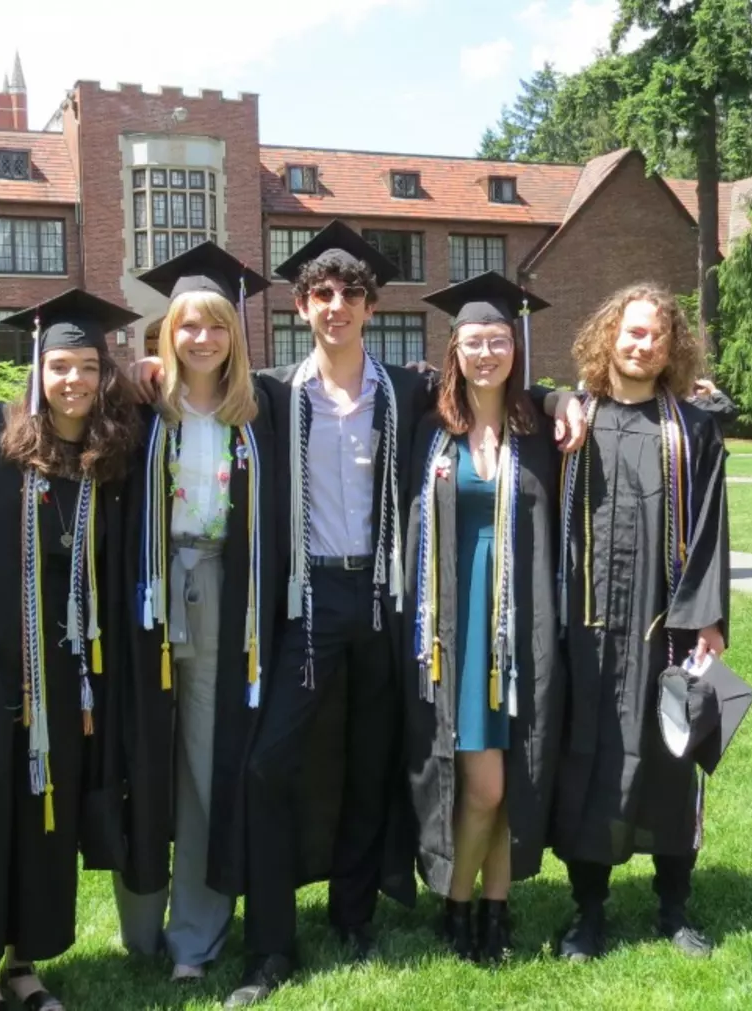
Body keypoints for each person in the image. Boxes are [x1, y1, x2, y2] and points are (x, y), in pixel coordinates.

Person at [218, 222, 585, 1008]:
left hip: (385, 601)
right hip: (308, 598)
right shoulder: (274, 395)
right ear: (301, 304)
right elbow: (196, 392)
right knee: (268, 762)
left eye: (352, 293)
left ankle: (353, 916)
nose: (337, 306)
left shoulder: (405, 390)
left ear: (371, 303)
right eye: (323, 294)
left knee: (370, 759)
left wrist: (563, 398)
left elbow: (493, 391)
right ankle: (270, 944)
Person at [0, 289, 141, 1011]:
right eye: (59, 366)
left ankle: (26, 963)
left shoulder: (107, 455)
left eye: (87, 366)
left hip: (70, 671)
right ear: (36, 370)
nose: (73, 380)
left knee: (48, 812)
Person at [113, 243, 281, 983]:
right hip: (145, 599)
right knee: (147, 757)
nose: (203, 338)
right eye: (188, 326)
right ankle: (143, 927)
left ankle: (197, 934)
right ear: (166, 334)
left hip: (223, 597)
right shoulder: (139, 408)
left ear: (235, 336)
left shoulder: (262, 410)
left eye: (217, 326)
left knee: (207, 766)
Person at [550, 282, 729, 963]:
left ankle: (674, 908)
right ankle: (587, 911)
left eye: (654, 334)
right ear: (607, 336)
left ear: (671, 345)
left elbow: (713, 527)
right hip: (586, 626)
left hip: (666, 625)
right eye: (630, 331)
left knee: (670, 758)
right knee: (586, 759)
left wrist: (708, 617)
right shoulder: (574, 420)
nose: (641, 342)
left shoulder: (692, 428)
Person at [402, 272, 564, 965]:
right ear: (455, 351)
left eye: (499, 339)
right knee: (484, 781)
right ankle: (458, 900)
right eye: (474, 341)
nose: (487, 352)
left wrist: (565, 398)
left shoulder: (542, 430)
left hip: (524, 620)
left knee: (511, 777)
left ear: (515, 347)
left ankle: (492, 909)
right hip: (459, 627)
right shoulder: (430, 427)